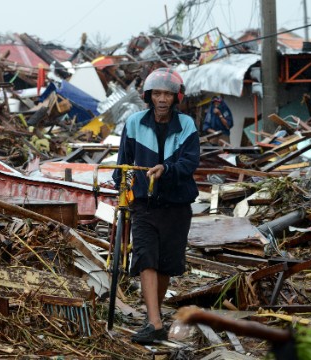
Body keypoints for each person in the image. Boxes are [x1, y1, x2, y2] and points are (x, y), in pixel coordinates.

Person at [113, 67, 200, 344]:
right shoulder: (135, 123)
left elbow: (190, 162)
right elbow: (123, 162)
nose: (162, 99)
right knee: (146, 259)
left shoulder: (186, 125)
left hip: (176, 205)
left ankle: (154, 316)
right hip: (144, 205)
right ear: (148, 96)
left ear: (177, 98)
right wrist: (121, 189)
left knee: (165, 265)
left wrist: (167, 168)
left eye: (168, 94)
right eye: (157, 93)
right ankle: (154, 322)